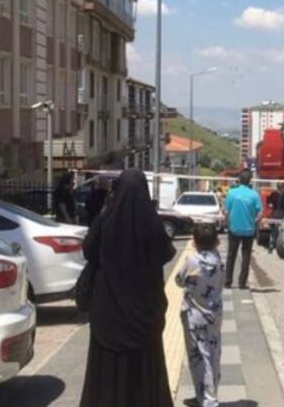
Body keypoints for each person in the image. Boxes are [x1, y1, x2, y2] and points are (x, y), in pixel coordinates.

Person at [80, 169, 176, 407]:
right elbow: (166, 253)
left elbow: (88, 250)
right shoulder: (151, 223)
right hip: (144, 313)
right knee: (145, 370)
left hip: (108, 313)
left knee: (107, 372)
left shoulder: (105, 219)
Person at [176, 224, 224, 407]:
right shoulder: (218, 259)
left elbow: (179, 280)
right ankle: (205, 395)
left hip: (195, 316)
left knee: (199, 357)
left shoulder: (192, 261)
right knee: (213, 354)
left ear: (194, 242)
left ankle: (208, 400)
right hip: (214, 314)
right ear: (217, 242)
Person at [224, 170, 263, 290]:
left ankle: (228, 282)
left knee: (231, 255)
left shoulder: (231, 193)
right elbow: (260, 213)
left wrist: (228, 224)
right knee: (246, 256)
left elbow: (226, 211)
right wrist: (254, 222)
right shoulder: (254, 195)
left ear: (239, 180)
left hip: (234, 229)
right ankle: (242, 283)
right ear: (250, 180)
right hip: (249, 230)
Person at [267, 183, 284, 254]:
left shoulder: (273, 194)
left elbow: (269, 203)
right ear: (283, 187)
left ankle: (271, 247)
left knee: (273, 231)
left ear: (277, 187)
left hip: (274, 214)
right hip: (283, 215)